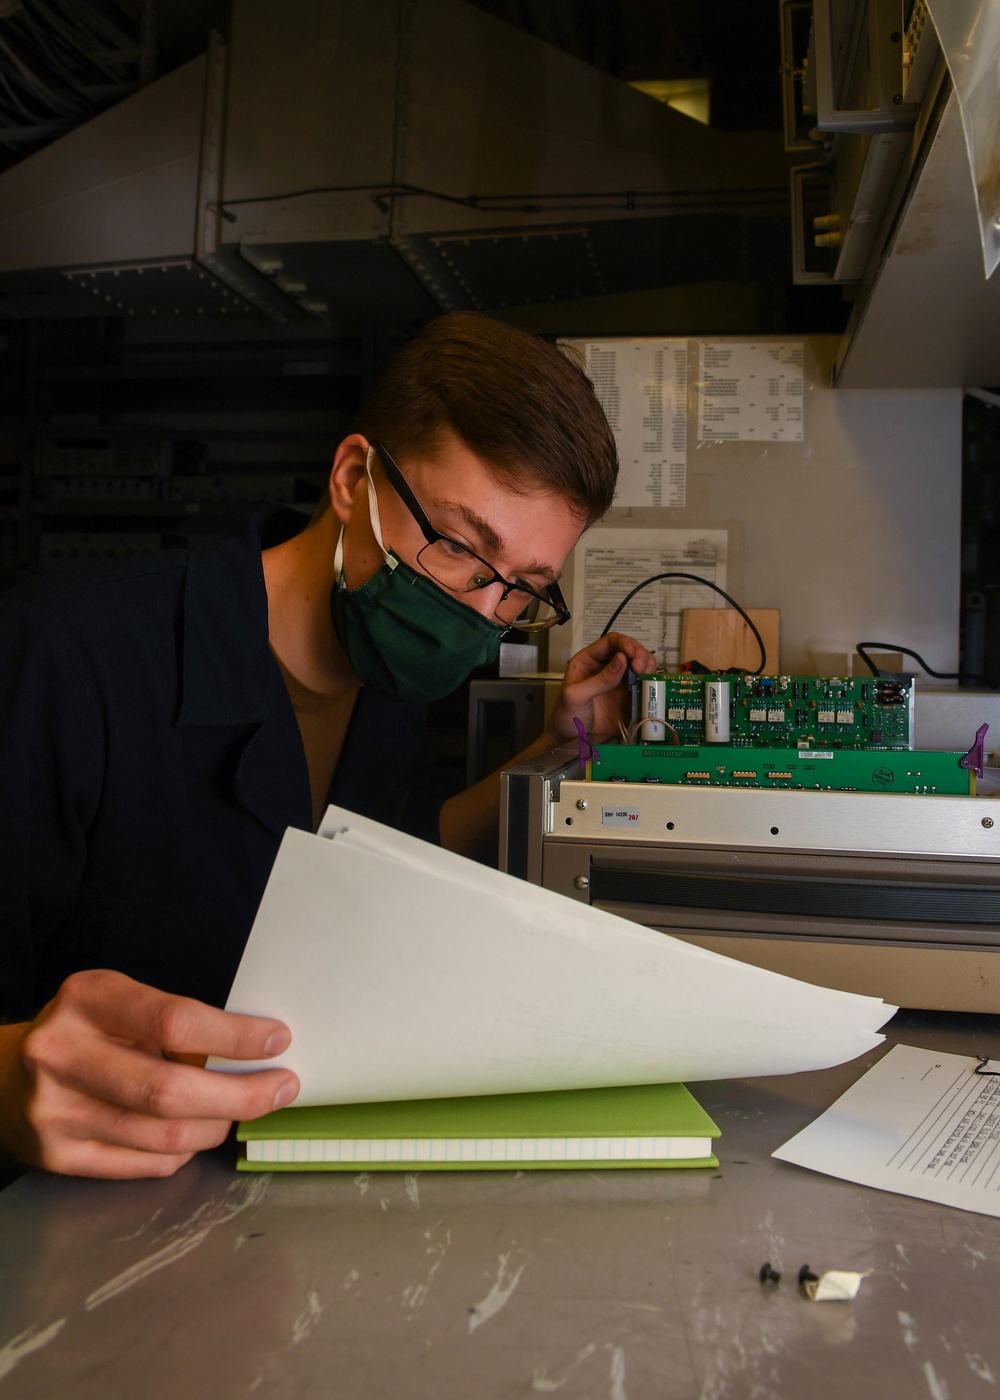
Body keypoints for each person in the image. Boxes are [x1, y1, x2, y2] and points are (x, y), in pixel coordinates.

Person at [0, 313, 654, 1181]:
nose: (480, 610)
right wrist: (7, 1081)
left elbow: (386, 854)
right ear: (355, 478)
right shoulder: (69, 654)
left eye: (522, 590)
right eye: (461, 548)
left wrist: (558, 745)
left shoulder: (387, 678)